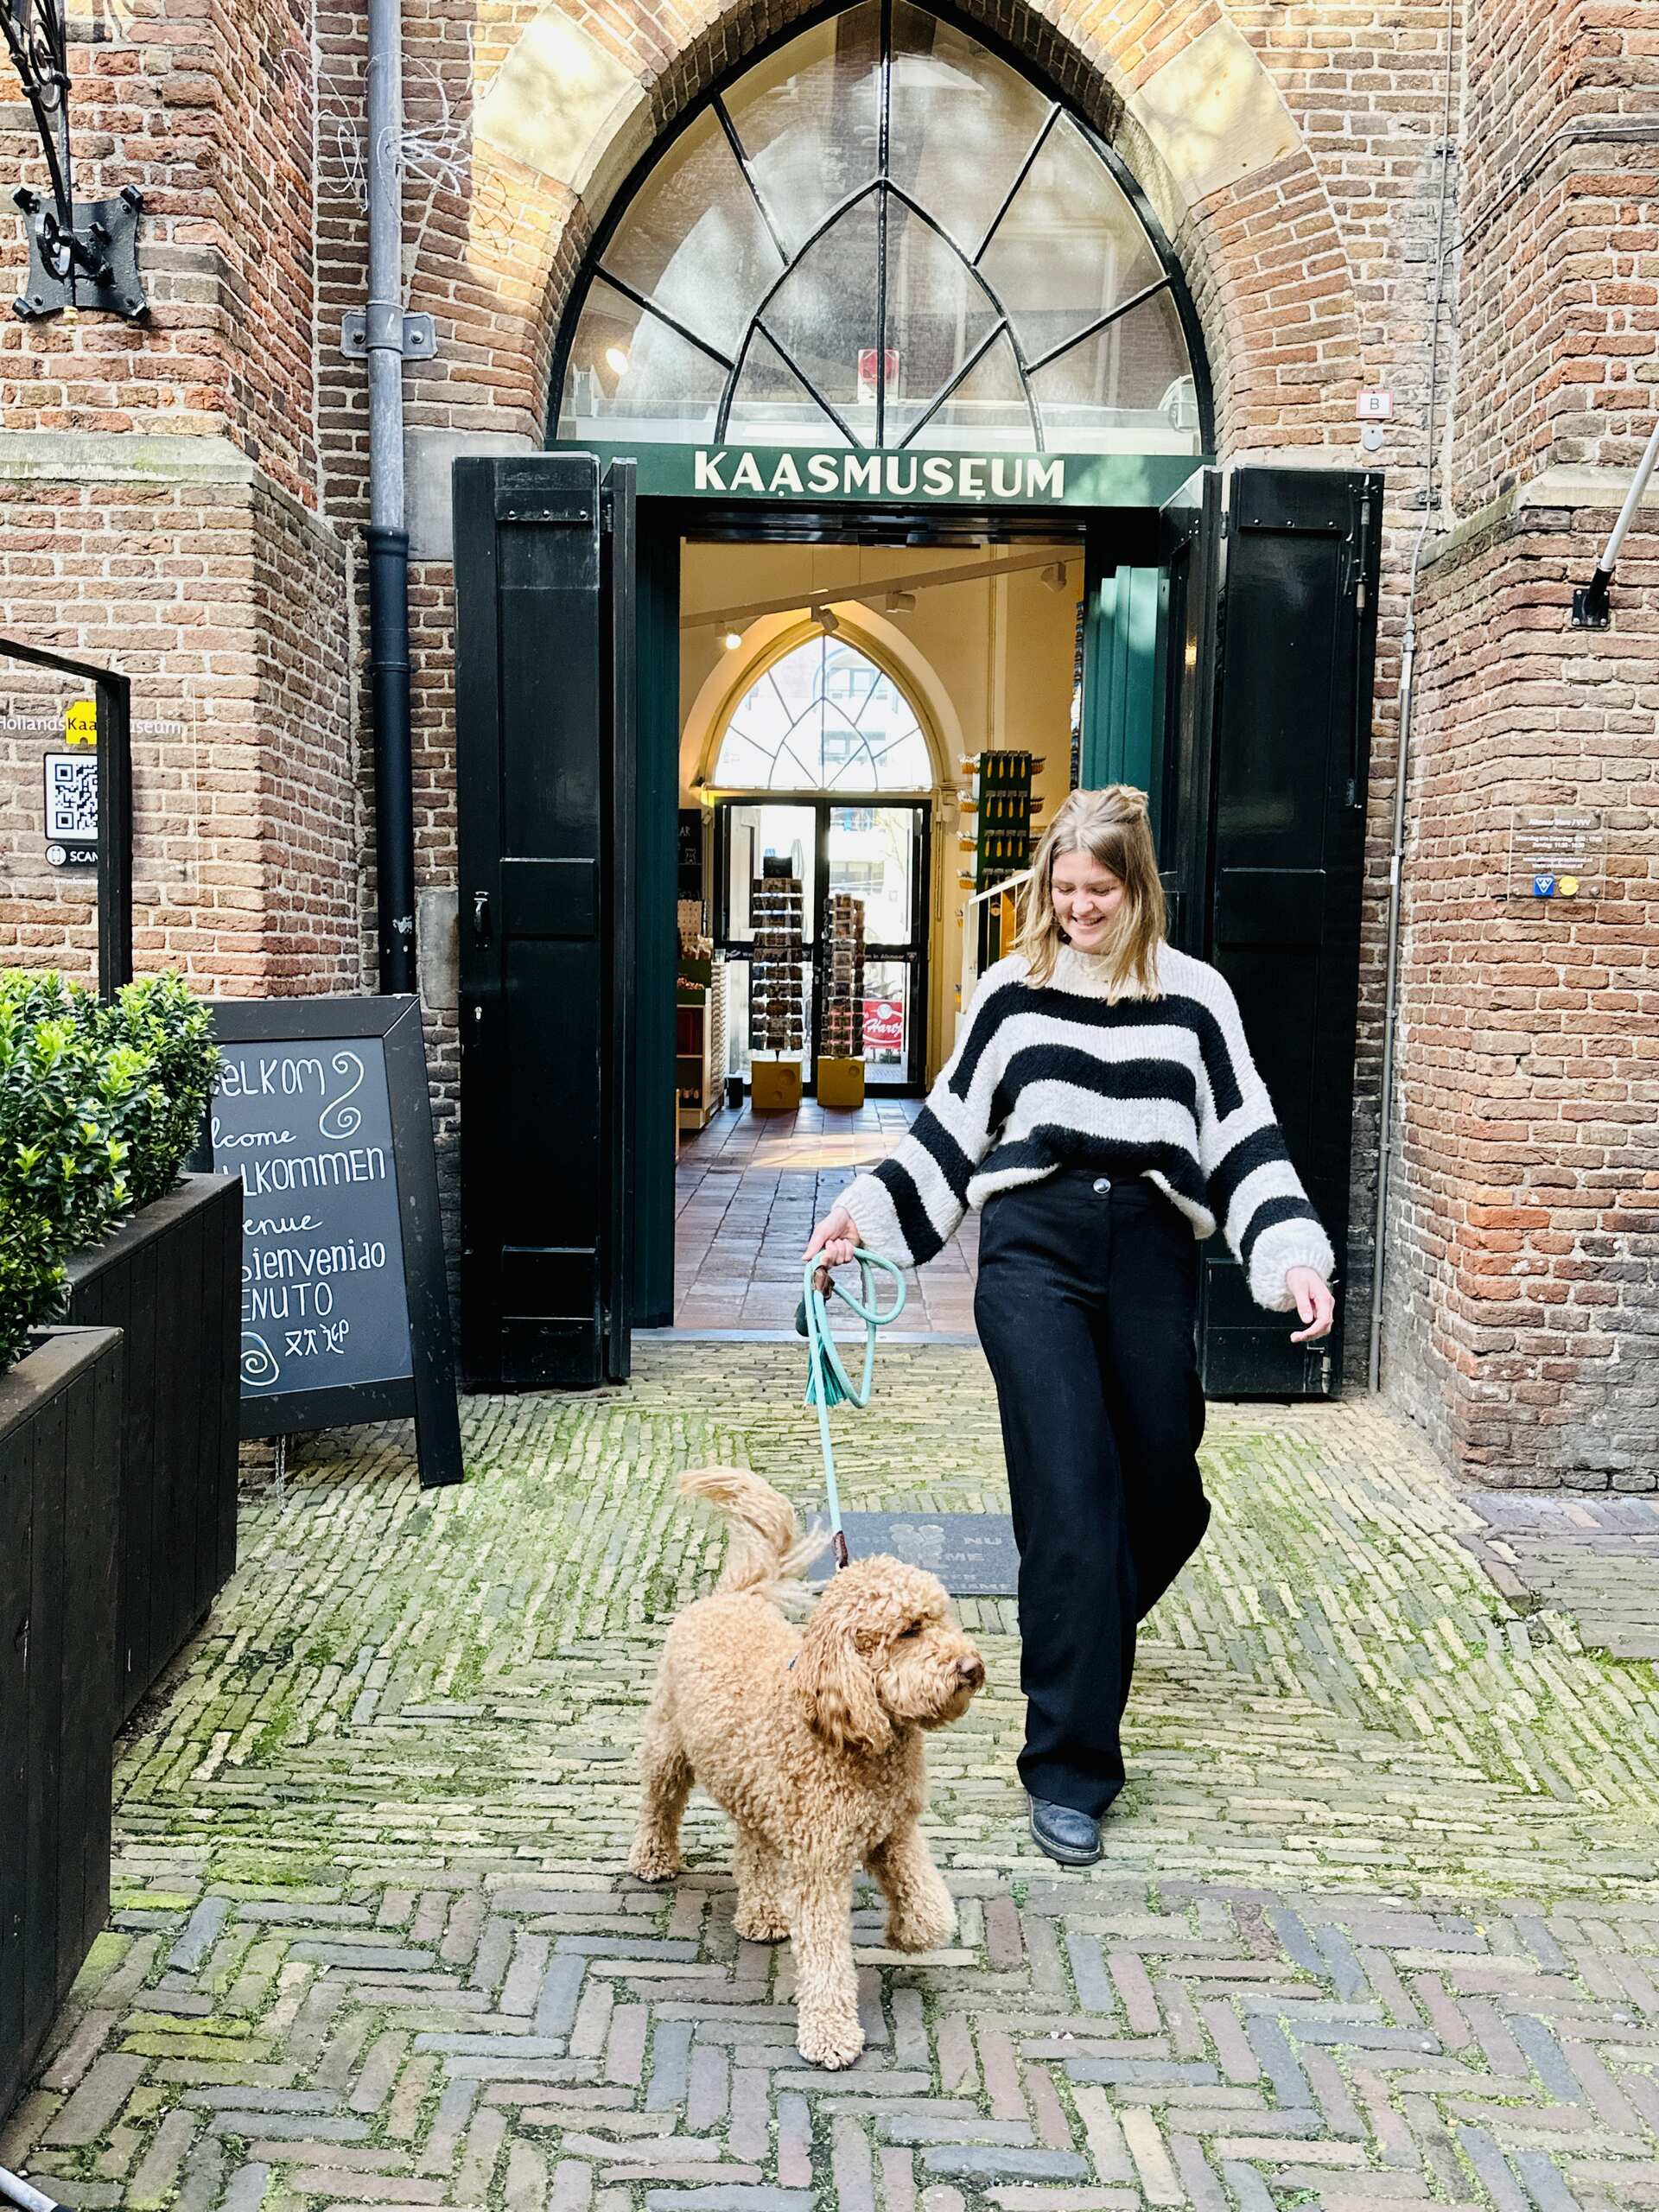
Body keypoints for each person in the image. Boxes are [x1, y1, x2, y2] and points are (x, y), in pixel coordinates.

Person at [803, 785, 1336, 1867]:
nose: (1080, 906)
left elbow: (1242, 1136)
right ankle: (1070, 1769)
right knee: (1069, 1500)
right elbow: (950, 1131)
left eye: (1100, 889)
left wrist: (1293, 1258)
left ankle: (1076, 1627)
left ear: (1138, 889)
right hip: (1033, 1251)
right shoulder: (1012, 992)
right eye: (1065, 886)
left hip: (1148, 1248)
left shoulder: (1196, 1000)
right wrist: (859, 1218)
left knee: (1166, 1491)